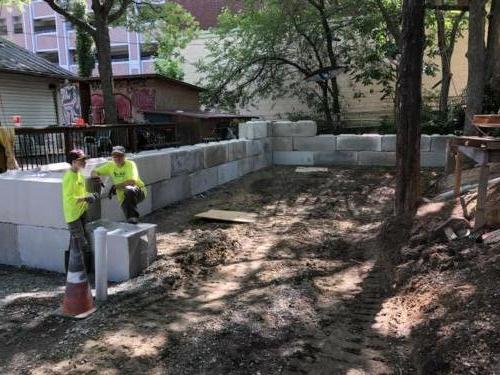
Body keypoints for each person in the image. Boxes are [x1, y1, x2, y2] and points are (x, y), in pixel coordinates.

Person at [62, 149, 98, 273]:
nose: (84, 162)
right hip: (73, 215)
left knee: (75, 242)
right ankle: (81, 274)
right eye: (81, 160)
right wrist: (86, 198)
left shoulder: (79, 174)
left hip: (82, 212)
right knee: (81, 243)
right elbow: (70, 199)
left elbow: (81, 193)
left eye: (84, 159)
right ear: (73, 162)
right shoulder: (69, 177)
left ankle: (73, 273)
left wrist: (90, 195)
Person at [91, 146, 146, 224]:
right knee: (130, 220)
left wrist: (116, 186)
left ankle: (133, 217)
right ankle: (133, 223)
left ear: (124, 156)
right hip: (123, 197)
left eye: (120, 155)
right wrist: (96, 177)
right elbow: (93, 171)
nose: (117, 158)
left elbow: (132, 181)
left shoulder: (130, 164)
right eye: (115, 156)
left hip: (139, 191)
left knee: (129, 189)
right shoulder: (110, 165)